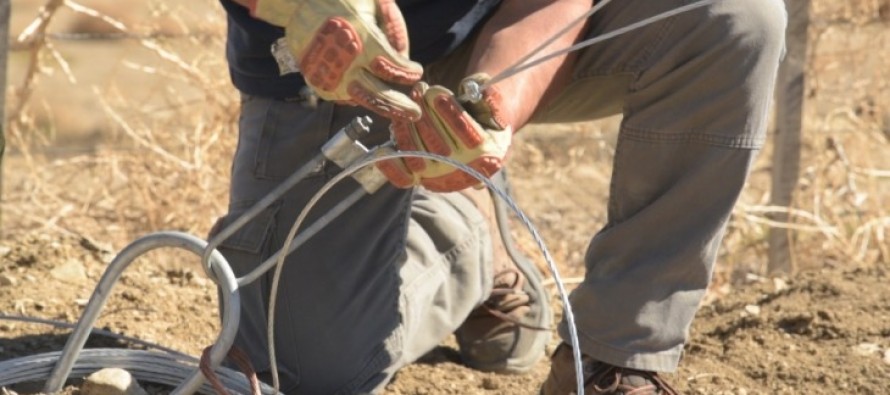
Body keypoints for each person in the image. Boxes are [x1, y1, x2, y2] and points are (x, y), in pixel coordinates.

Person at [213, 0, 787, 394]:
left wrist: (491, 108)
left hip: (492, 36)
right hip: (324, 55)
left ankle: (615, 359)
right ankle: (467, 236)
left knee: (733, 16)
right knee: (301, 375)